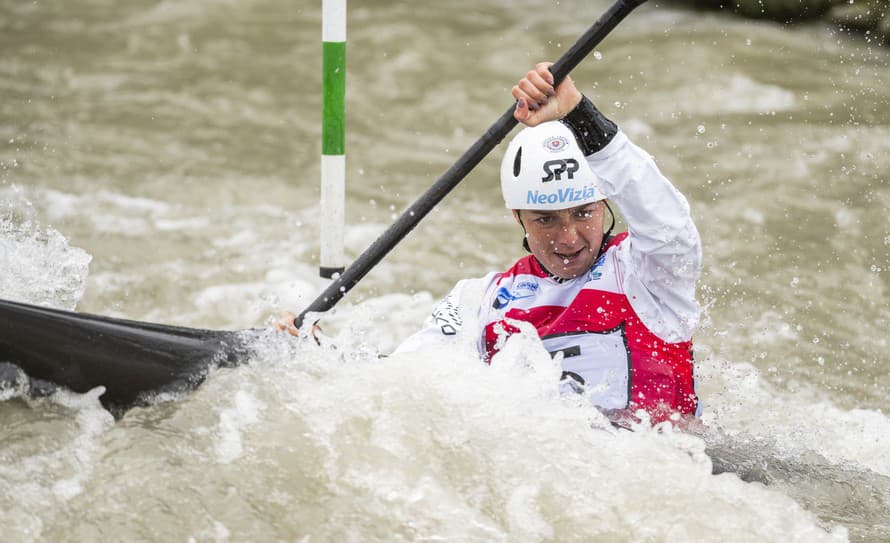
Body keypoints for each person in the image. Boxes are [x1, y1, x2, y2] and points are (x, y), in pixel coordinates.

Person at [393, 62, 702, 425]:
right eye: (546, 219)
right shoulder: (480, 301)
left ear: (605, 203)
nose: (569, 238)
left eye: (584, 213)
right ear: (517, 217)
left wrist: (578, 112)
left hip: (663, 464)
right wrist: (318, 354)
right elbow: (403, 379)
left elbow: (668, 222)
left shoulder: (647, 274)